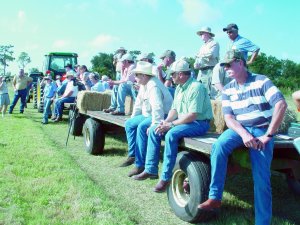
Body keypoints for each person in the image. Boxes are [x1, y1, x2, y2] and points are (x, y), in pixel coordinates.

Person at [198, 50, 287, 225]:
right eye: (223, 65)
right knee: (219, 146)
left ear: (241, 62)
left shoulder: (262, 81)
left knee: (261, 179)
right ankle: (215, 197)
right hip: (240, 128)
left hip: (262, 129)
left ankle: (262, 222)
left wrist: (269, 135)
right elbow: (229, 118)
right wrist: (244, 134)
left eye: (229, 64)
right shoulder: (228, 89)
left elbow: (281, 104)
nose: (225, 68)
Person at [134, 59, 213, 193]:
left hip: (199, 123)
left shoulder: (196, 87)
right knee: (154, 129)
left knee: (171, 134)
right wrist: (165, 122)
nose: (171, 77)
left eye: (173, 74)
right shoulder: (179, 88)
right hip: (186, 121)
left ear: (181, 74)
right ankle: (150, 169)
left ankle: (166, 178)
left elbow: (193, 115)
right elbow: (174, 110)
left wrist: (170, 124)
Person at [120, 61, 173, 171]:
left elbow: (158, 108)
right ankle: (133, 155)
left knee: (142, 127)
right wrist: (133, 118)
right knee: (129, 123)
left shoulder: (153, 86)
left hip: (163, 115)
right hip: (149, 114)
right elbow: (138, 105)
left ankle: (140, 164)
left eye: (136, 75)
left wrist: (155, 124)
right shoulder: (144, 84)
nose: (135, 78)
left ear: (144, 76)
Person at [194, 27, 220, 95]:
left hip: (210, 70)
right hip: (201, 71)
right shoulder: (202, 46)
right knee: (199, 91)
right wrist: (196, 64)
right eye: (200, 34)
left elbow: (211, 54)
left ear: (208, 34)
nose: (200, 35)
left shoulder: (214, 43)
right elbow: (198, 58)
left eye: (202, 33)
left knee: (209, 92)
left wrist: (199, 55)